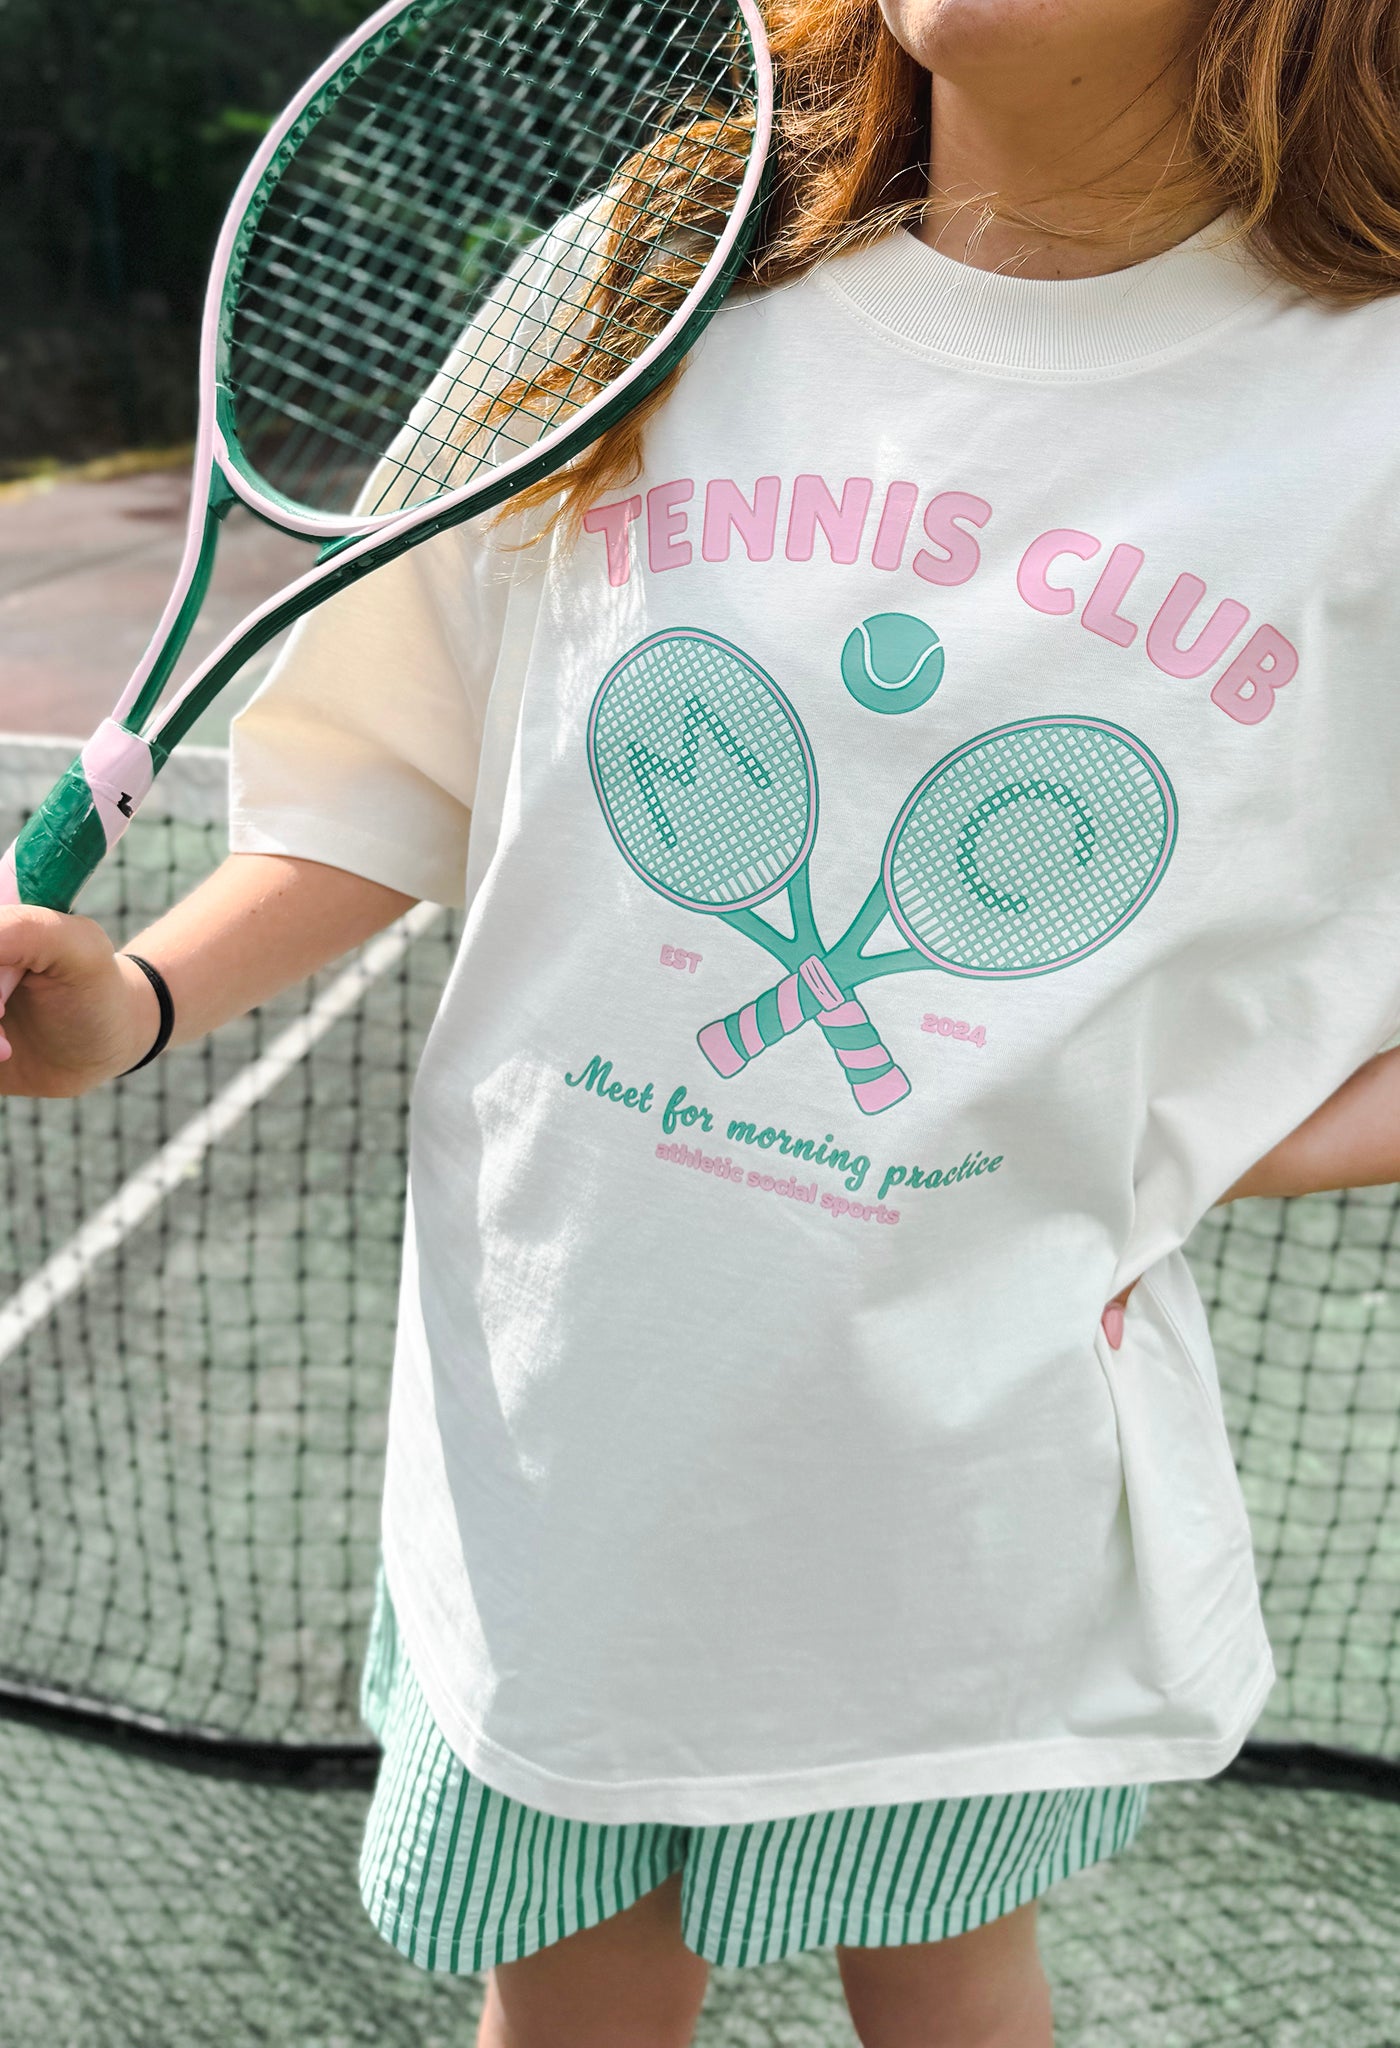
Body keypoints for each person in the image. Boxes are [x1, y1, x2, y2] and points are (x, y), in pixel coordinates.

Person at [5, 1, 1400, 2042]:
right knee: (568, 1997)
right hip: (553, 1454)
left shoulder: (1366, 409)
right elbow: (411, 743)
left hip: (963, 1503)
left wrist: (1182, 1133)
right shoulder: (653, 265)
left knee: (947, 1984)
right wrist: (132, 1002)